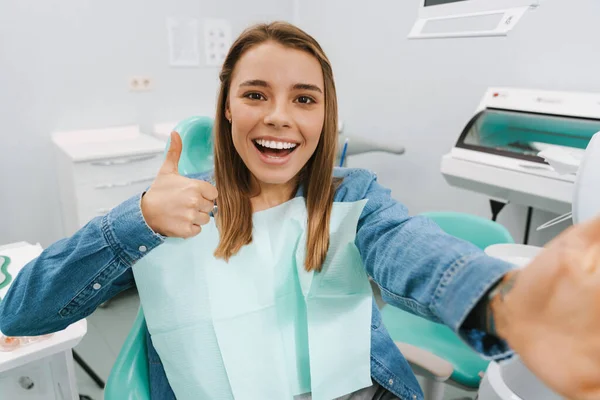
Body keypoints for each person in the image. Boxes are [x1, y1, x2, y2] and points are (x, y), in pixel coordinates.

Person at [1, 21, 599, 400]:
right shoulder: (172, 209)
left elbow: (410, 250)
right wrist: (135, 221)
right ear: (227, 110)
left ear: (325, 118)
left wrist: (502, 299)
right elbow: (22, 312)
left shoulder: (349, 197)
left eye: (303, 99)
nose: (280, 115)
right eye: (255, 94)